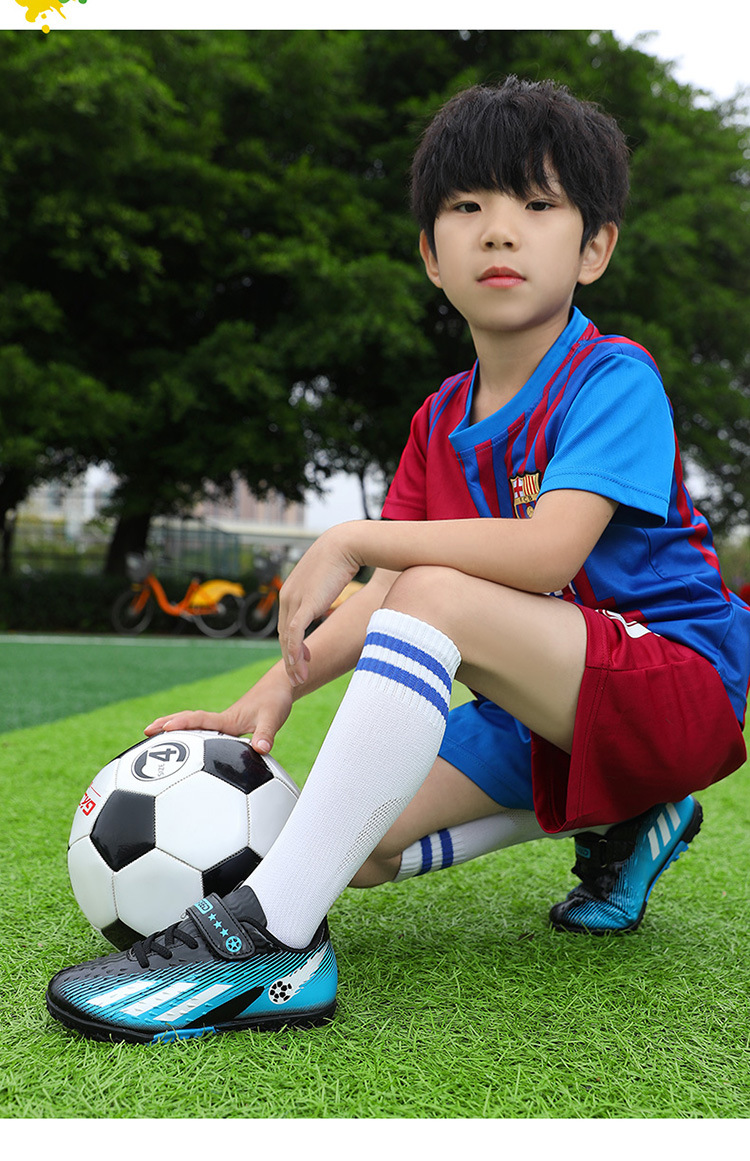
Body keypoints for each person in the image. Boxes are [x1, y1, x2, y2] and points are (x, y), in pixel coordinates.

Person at [46, 77, 750, 1045]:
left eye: (537, 205)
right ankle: (630, 815)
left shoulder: (614, 377)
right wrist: (272, 693)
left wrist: (351, 535)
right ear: (430, 255)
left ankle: (272, 942)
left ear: (594, 248)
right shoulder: (439, 416)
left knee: (436, 592)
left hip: (681, 689)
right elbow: (384, 597)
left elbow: (545, 551)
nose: (498, 231)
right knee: (354, 840)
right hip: (544, 705)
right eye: (467, 207)